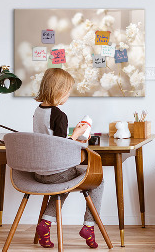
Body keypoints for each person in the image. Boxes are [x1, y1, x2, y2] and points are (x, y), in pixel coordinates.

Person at [33, 68, 103, 249]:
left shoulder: (38, 111)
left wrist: (73, 135)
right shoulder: (59, 115)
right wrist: (78, 134)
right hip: (56, 172)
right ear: (59, 90)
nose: (68, 96)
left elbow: (50, 140)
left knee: (63, 183)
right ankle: (89, 226)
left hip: (39, 172)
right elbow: (61, 147)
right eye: (68, 91)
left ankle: (45, 224)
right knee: (98, 180)